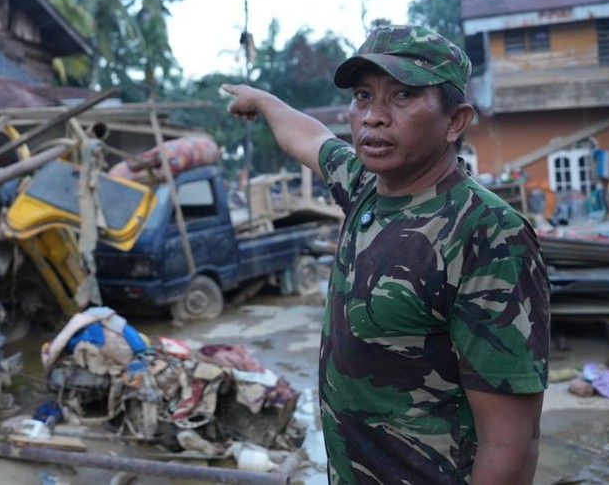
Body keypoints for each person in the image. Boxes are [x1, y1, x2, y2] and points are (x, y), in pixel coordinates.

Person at [221, 24, 550, 484]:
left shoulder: (486, 232)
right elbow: (310, 138)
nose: (373, 116)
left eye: (402, 96)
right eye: (362, 96)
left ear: (455, 121)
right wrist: (263, 101)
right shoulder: (365, 188)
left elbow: (511, 443)